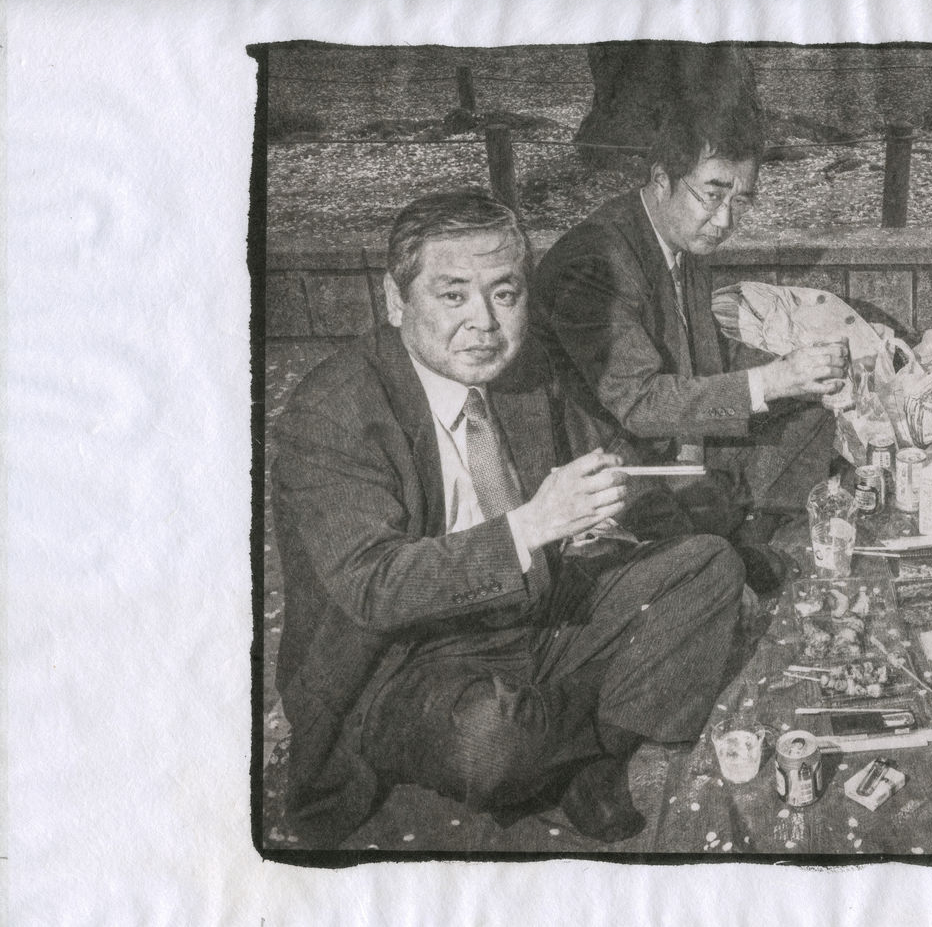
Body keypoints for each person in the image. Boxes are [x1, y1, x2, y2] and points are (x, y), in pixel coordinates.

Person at [272, 191, 748, 847]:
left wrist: (609, 508)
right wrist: (530, 526)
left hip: (533, 611)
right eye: (453, 295)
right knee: (488, 742)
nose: (484, 324)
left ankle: (562, 744)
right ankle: (591, 745)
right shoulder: (334, 408)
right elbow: (373, 587)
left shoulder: (525, 371)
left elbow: (607, 458)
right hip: (407, 658)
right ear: (395, 301)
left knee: (709, 566)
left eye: (504, 294)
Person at [532, 103, 848, 591]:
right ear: (662, 179)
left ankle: (756, 544)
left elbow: (710, 354)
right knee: (691, 543)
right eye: (713, 195)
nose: (725, 220)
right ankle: (732, 559)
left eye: (741, 201)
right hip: (615, 457)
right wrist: (773, 380)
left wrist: (800, 372)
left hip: (670, 439)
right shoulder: (595, 262)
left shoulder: (682, 238)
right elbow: (640, 404)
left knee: (809, 413)